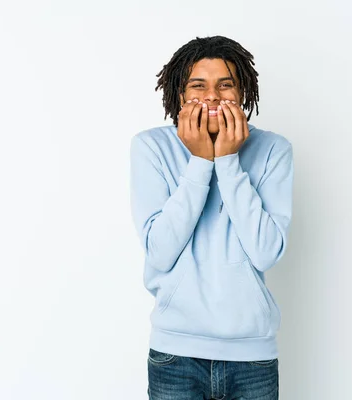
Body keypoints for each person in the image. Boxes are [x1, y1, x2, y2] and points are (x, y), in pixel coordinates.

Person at [130, 35, 294, 400]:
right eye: (198, 86)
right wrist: (201, 161)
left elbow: (266, 252)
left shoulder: (273, 150)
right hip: (176, 355)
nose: (213, 97)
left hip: (252, 357)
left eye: (226, 85)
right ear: (178, 94)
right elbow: (159, 252)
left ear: (243, 92)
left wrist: (228, 161)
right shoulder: (151, 147)